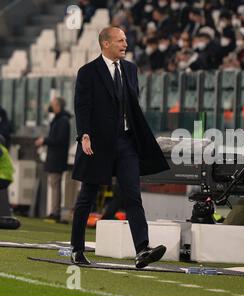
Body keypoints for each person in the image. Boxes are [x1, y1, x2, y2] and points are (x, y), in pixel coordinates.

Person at [71, 26, 170, 268]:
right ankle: (76, 249)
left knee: (133, 195)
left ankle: (142, 249)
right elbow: (82, 106)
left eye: (125, 40)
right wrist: (84, 135)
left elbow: (131, 105)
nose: (125, 44)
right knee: (87, 196)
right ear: (106, 44)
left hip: (126, 142)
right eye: (120, 40)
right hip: (97, 143)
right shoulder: (88, 72)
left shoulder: (130, 69)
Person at [35, 97, 71, 223]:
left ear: (58, 106)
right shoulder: (59, 120)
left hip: (57, 159)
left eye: (53, 104)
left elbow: (58, 139)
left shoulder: (62, 121)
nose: (50, 106)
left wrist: (44, 140)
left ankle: (55, 213)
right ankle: (54, 211)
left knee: (55, 185)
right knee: (54, 185)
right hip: (55, 158)